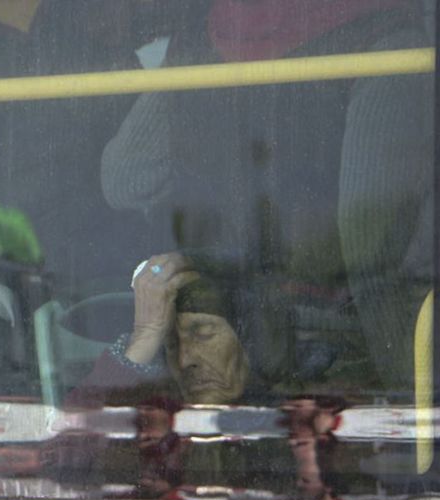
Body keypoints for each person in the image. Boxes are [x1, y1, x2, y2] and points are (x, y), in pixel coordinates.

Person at [101, 0, 432, 393]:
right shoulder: (387, 38)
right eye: (177, 342)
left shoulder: (207, 35)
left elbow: (125, 179)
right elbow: (370, 255)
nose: (186, 357)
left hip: (309, 348)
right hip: (299, 336)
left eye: (198, 335)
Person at [66, 252, 275, 408]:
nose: (184, 361)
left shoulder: (298, 424)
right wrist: (146, 335)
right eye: (172, 345)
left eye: (203, 334)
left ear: (250, 341)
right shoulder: (157, 431)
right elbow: (70, 445)